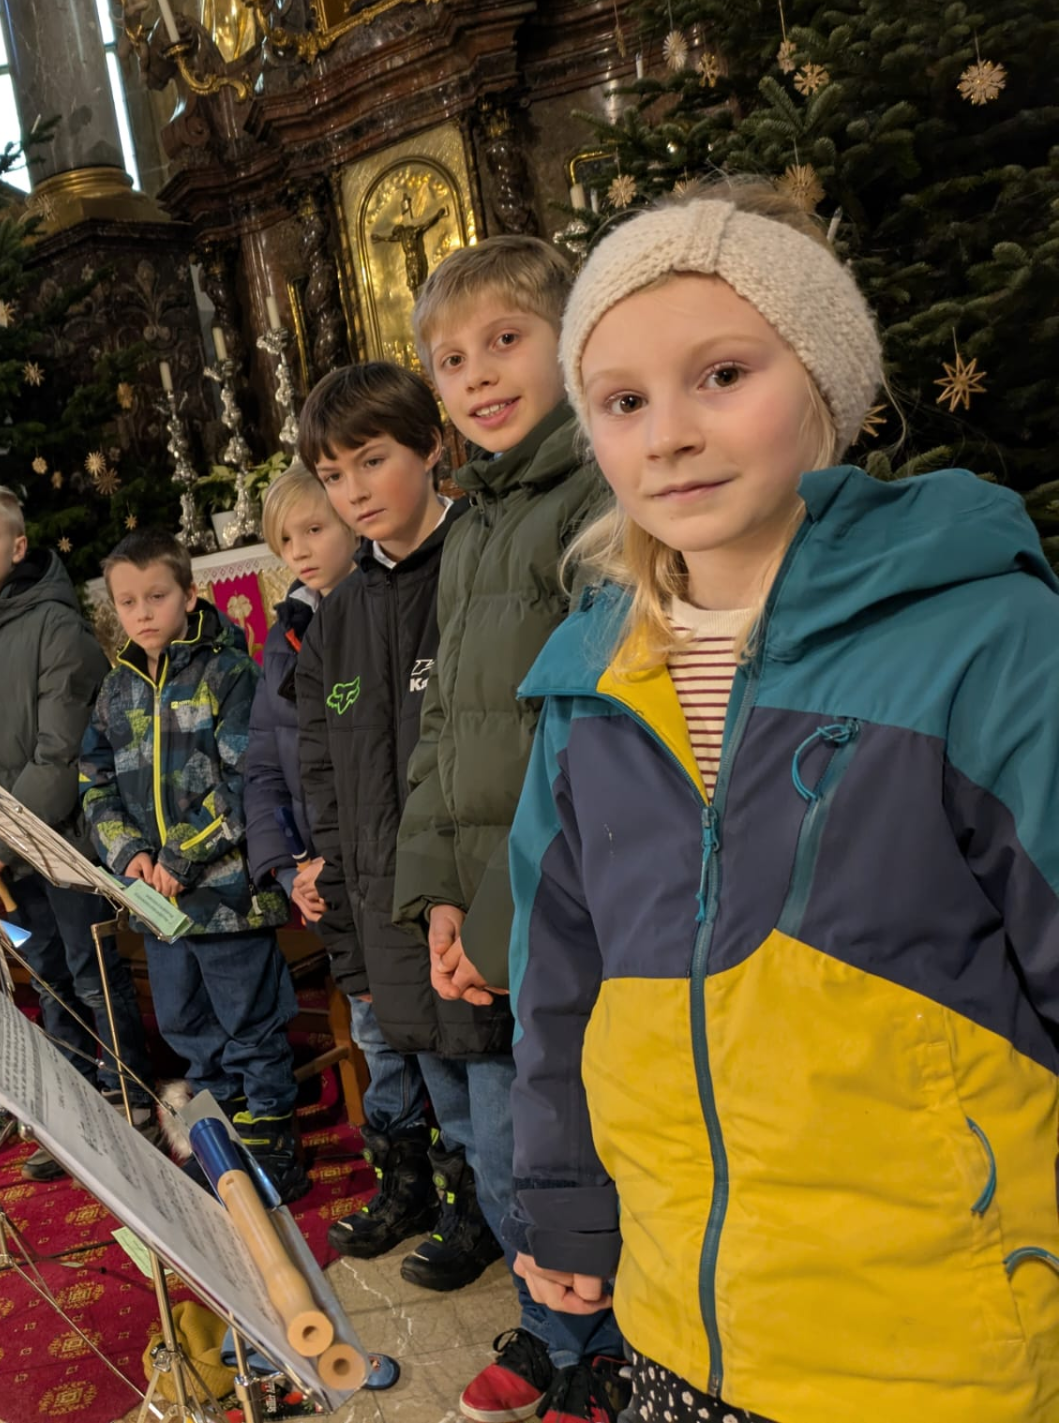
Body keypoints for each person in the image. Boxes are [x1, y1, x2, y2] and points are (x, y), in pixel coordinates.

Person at [510, 179, 1059, 1423]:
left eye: (722, 375)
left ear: (823, 379)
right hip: (683, 1329)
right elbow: (558, 977)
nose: (669, 435)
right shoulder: (591, 682)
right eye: (624, 401)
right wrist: (566, 1199)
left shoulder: (982, 639)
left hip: (941, 1342)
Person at [387, 235, 624, 1423]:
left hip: (573, 890)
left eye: (505, 340)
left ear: (573, 341)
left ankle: (612, 1346)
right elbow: (446, 725)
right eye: (451, 359)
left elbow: (593, 737)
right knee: (522, 1136)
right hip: (486, 893)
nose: (476, 374)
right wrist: (440, 895)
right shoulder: (474, 520)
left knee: (593, 1127)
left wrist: (496, 914)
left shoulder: (598, 490)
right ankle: (552, 1324)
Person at [294, 363, 470, 1265]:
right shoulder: (338, 617)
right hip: (385, 903)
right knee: (430, 1074)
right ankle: (452, 1206)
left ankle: (515, 1242)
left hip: (473, 899)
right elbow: (323, 776)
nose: (353, 492)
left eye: (371, 461)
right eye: (333, 475)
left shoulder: (475, 569)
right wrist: (345, 915)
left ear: (432, 447)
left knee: (499, 1102)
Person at [0, 485, 157, 1176]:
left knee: (91, 972)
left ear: (19, 545)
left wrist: (0, 842)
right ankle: (75, 1101)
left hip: (59, 840)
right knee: (45, 974)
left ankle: (128, 1100)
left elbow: (61, 753)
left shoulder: (57, 627)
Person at [246, 466, 440, 1252]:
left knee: (425, 1028)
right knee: (372, 1030)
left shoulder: (379, 609)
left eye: (314, 529)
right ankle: (403, 1182)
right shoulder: (285, 635)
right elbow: (266, 762)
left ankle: (457, 1182)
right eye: (284, 540)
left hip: (385, 862)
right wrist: (286, 863)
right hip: (325, 876)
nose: (300, 550)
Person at [80, 530, 307, 1200]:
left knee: (250, 1023)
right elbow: (93, 780)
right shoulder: (116, 689)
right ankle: (222, 1148)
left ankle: (274, 1147)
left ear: (188, 593)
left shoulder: (228, 673)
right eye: (127, 602)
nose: (142, 612)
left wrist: (180, 853)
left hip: (227, 896)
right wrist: (129, 852)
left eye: (156, 596)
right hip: (158, 902)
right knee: (185, 1025)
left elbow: (245, 777)